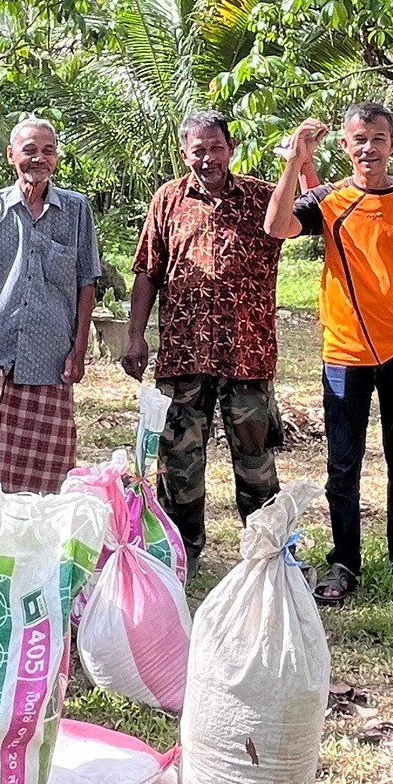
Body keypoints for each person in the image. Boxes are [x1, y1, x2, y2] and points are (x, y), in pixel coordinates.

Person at [266, 103, 393, 609]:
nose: (368, 148)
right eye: (359, 139)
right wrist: (295, 159)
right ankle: (343, 561)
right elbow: (277, 226)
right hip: (344, 353)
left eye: (378, 138)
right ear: (345, 146)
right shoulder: (328, 200)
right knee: (342, 465)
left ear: (392, 144)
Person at [122, 110, 285, 557]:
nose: (208, 158)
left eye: (216, 148)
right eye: (198, 150)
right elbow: (147, 272)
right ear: (184, 153)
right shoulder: (167, 200)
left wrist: (300, 160)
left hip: (246, 354)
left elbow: (309, 213)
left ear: (231, 149)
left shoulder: (262, 199)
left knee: (256, 459)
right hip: (184, 354)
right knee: (179, 461)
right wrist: (136, 336)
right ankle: (181, 549)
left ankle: (267, 552)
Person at [0, 117, 102, 495]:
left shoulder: (76, 210)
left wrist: (79, 349)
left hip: (54, 356)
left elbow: (86, 280)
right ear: (11, 156)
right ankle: (9, 542)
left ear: (56, 158)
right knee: (6, 466)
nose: (38, 158)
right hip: (4, 353)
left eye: (47, 150)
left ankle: (47, 541)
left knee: (56, 465)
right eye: (29, 150)